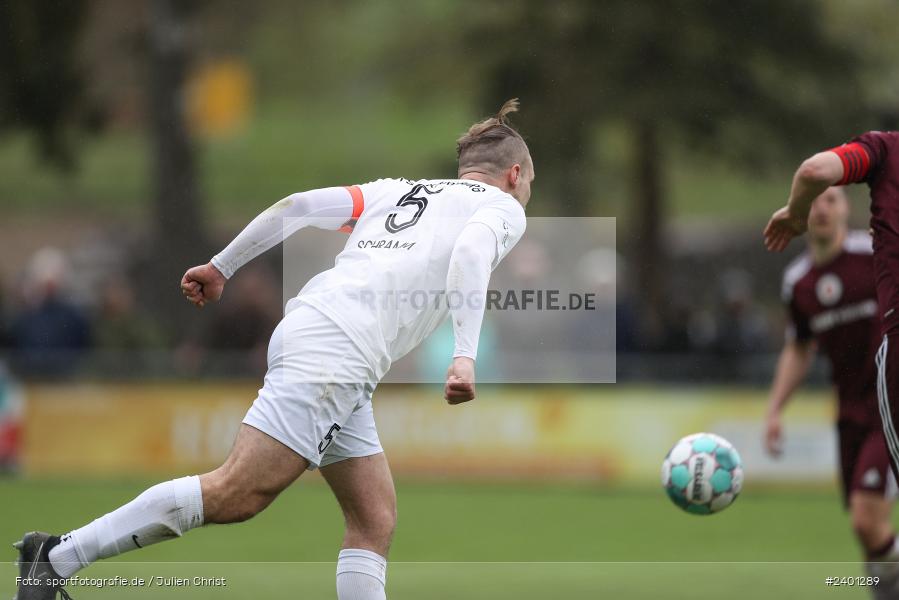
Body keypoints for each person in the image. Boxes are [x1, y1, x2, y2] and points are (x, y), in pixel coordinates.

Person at [12, 99, 531, 600]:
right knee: (238, 493)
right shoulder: (502, 208)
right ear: (513, 176)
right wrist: (464, 354)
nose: (527, 191)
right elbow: (468, 253)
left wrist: (221, 266)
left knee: (373, 517)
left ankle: (55, 558)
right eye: (529, 181)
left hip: (317, 328)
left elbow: (298, 206)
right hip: (337, 350)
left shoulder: (397, 191)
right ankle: (55, 558)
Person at [765, 187, 899, 595]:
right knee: (868, 535)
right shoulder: (799, 283)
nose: (821, 209)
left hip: (890, 407)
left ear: (846, 210)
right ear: (798, 211)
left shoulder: (874, 254)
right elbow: (798, 348)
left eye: (832, 200)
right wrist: (774, 410)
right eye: (814, 201)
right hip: (850, 413)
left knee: (866, 517)